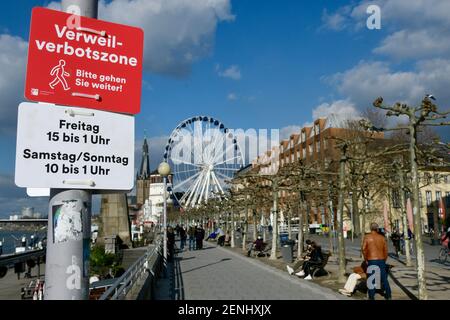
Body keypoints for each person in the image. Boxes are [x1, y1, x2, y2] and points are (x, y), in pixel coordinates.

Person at [362, 222, 391, 300]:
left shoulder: (367, 237)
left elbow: (364, 249)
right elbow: (386, 250)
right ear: (377, 229)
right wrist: (384, 259)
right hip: (381, 259)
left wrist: (366, 259)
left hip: (371, 260)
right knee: (384, 278)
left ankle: (372, 297)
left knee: (371, 278)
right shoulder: (382, 237)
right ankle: (388, 295)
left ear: (370, 229)